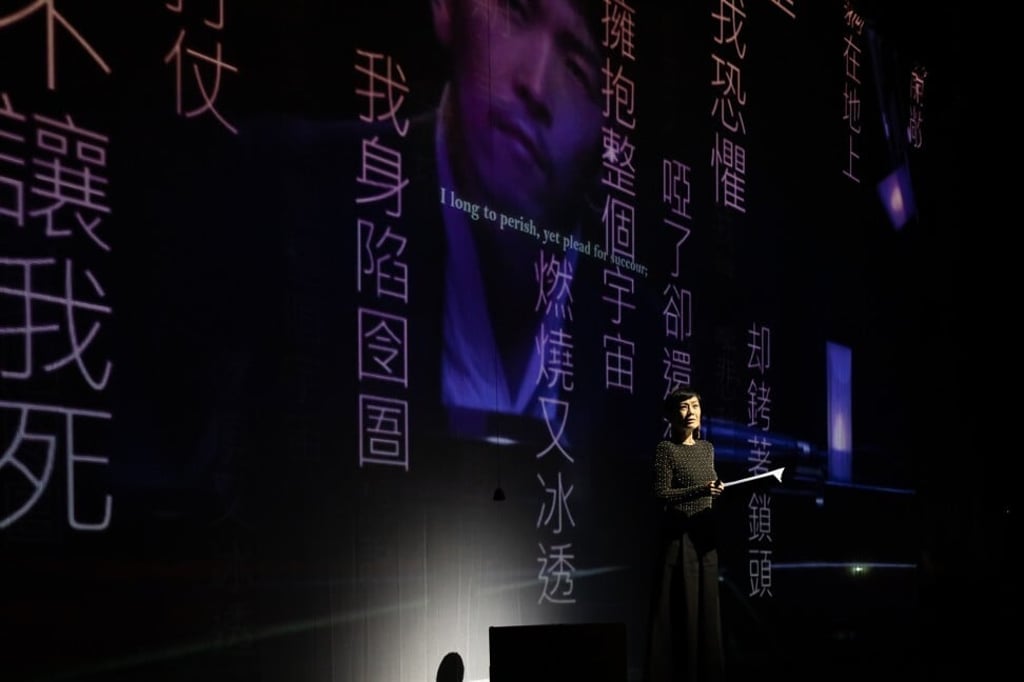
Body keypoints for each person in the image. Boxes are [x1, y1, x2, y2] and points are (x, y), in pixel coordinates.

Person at [428, 0, 605, 431]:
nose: (537, 84)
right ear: (447, 9)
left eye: (579, 71)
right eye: (515, 14)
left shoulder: (645, 337)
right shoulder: (289, 198)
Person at [645, 386, 727, 682]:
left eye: (695, 405)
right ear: (670, 415)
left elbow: (708, 489)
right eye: (683, 407)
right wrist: (702, 489)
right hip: (679, 540)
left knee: (708, 611)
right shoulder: (665, 449)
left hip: (705, 538)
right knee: (682, 610)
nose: (691, 412)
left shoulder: (707, 448)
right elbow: (661, 493)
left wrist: (715, 490)